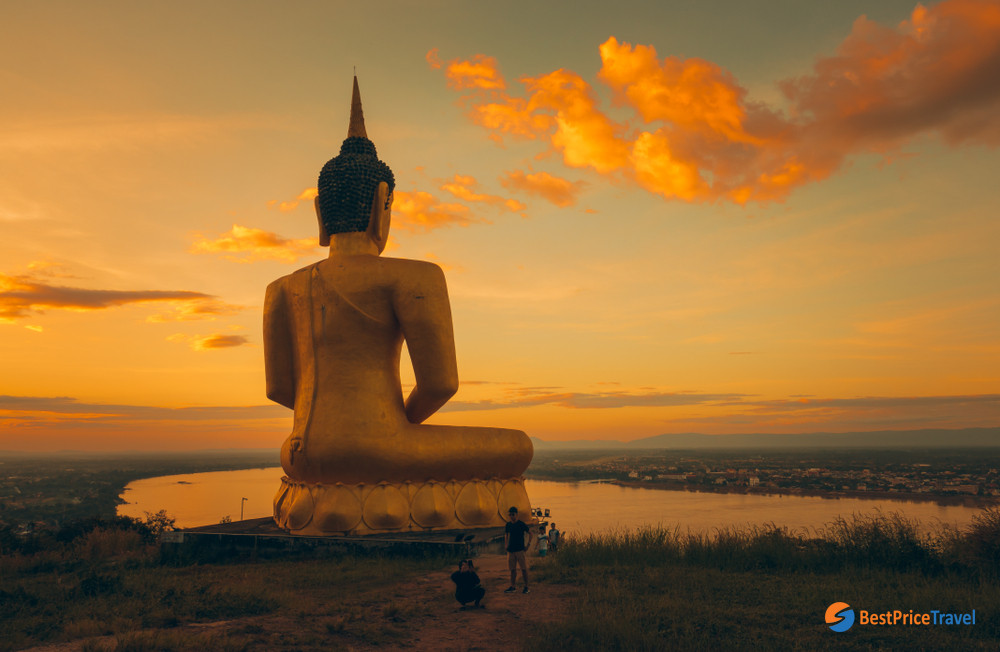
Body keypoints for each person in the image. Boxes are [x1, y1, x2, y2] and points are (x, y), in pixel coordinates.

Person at [264, 78, 533, 532]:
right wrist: (392, 426)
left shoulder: (281, 288)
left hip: (300, 455)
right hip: (380, 448)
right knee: (519, 445)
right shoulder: (413, 277)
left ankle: (314, 502)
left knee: (315, 480)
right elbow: (440, 384)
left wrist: (331, 423)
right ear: (381, 205)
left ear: (319, 214)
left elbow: (280, 389)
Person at [504, 506, 532, 593]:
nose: (511, 516)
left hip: (520, 550)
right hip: (511, 550)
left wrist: (528, 545)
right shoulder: (508, 525)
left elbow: (530, 533)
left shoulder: (521, 524)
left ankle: (526, 587)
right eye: (510, 515)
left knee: (523, 569)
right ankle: (513, 586)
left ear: (517, 515)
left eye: (513, 514)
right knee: (512, 570)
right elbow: (506, 535)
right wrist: (506, 545)